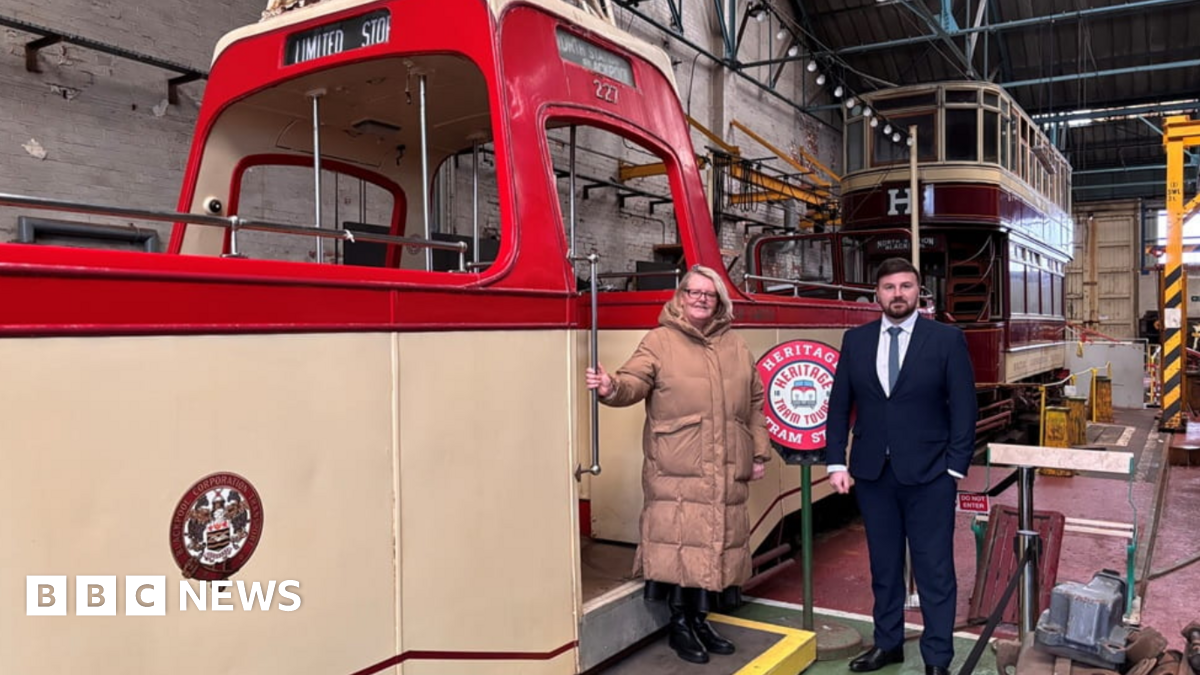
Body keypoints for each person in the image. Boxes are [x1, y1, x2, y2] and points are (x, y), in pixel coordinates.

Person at [585, 264, 770, 665]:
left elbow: (754, 403)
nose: (701, 299)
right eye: (694, 292)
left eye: (710, 293)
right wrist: (610, 387)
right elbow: (634, 381)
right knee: (681, 544)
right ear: (680, 296)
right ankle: (679, 624)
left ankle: (700, 619)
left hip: (725, 464)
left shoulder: (735, 346)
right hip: (678, 465)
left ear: (720, 301)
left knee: (713, 543)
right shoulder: (659, 341)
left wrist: (758, 452)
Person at [825, 257, 976, 675]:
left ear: (918, 292)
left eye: (905, 286)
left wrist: (955, 467)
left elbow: (964, 407)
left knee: (935, 570)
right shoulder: (855, 340)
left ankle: (937, 658)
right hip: (873, 474)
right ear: (877, 294)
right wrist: (836, 460)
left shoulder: (945, 339)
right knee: (884, 568)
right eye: (889, 287)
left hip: (931, 475)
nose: (897, 294)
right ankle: (888, 644)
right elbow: (839, 407)